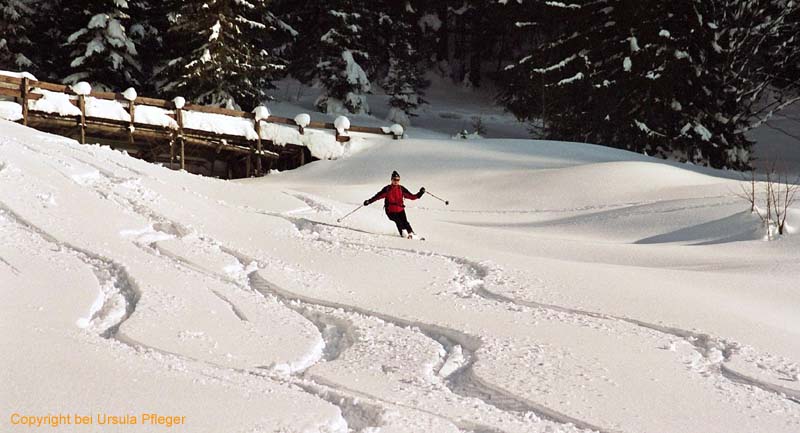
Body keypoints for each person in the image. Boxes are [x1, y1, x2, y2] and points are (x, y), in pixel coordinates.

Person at [363, 171, 425, 238]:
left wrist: (420, 193)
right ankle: (404, 234)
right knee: (399, 222)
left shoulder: (401, 189)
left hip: (400, 209)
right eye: (394, 179)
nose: (396, 181)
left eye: (398, 180)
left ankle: (412, 234)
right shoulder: (387, 189)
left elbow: (412, 197)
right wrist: (369, 201)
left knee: (405, 222)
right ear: (391, 180)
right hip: (390, 210)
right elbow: (377, 196)